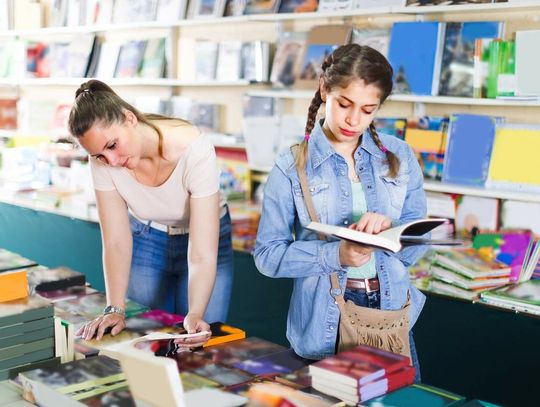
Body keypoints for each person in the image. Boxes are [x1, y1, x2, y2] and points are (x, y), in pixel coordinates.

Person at [254, 44, 427, 381]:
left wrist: (391, 232)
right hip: (324, 319)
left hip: (391, 312)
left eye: (368, 109)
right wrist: (338, 255)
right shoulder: (291, 165)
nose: (353, 120)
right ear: (324, 90)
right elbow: (266, 255)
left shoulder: (400, 155)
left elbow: (418, 242)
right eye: (344, 104)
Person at [68, 80, 233, 347]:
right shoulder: (102, 158)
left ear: (129, 118)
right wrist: (115, 309)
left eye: (112, 146)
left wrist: (196, 313)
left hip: (205, 242)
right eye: (99, 156)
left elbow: (202, 252)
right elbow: (116, 240)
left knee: (198, 343)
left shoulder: (193, 148)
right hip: (148, 236)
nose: (111, 162)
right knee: (143, 340)